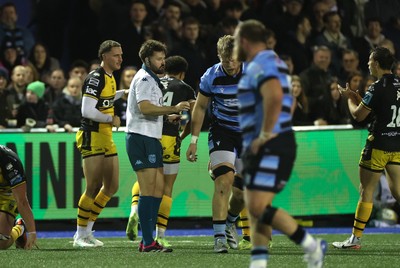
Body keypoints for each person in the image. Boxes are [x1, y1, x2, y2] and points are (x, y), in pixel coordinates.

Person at [233, 19, 327, 268]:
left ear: (243, 41)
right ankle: (259, 262)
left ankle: (311, 245)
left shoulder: (262, 63)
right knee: (256, 210)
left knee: (256, 206)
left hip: (270, 143)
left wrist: (264, 134)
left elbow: (274, 96)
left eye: (235, 41)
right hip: (265, 142)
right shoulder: (269, 61)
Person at [125, 39, 190, 253]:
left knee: (156, 189)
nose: (162, 62)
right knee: (148, 189)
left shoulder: (152, 79)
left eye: (163, 58)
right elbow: (145, 108)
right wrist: (174, 107)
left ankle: (148, 240)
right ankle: (147, 241)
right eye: (158, 58)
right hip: (140, 137)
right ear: (147, 59)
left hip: (151, 137)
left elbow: (152, 109)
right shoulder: (144, 79)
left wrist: (167, 116)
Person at [333, 46, 400, 249]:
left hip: (378, 145)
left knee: (366, 190)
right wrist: (357, 97)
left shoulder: (377, 87)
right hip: (397, 145)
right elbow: (380, 110)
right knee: (398, 190)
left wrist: (349, 100)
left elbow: (359, 116)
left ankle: (355, 239)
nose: (368, 64)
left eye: (370, 61)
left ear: (377, 64)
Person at [185, 35, 246, 253]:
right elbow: (200, 107)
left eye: (234, 59)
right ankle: (219, 237)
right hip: (222, 131)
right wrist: (193, 140)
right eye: (225, 59)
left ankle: (230, 223)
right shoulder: (210, 76)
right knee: (224, 180)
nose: (230, 64)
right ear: (218, 56)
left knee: (243, 194)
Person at [74, 40, 125, 248]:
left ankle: (88, 230)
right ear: (104, 56)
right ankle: (79, 235)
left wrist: (124, 94)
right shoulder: (95, 78)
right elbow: (87, 110)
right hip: (92, 135)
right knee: (92, 186)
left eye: (121, 55)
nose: (120, 58)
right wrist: (109, 119)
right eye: (116, 55)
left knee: (111, 186)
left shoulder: (111, 78)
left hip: (106, 137)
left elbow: (106, 100)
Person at [0, 145, 37, 250]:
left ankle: (20, 227)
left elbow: (22, 201)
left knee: (2, 244)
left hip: (7, 194)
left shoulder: (10, 161)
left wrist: (32, 232)